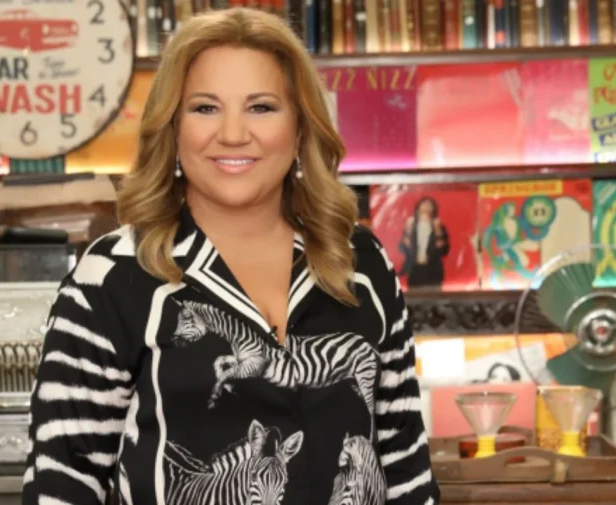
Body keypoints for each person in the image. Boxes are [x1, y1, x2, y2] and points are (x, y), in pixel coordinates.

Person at [22, 7, 439, 505]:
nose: (234, 134)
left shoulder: (361, 261)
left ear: (300, 127)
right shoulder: (112, 275)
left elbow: (406, 465)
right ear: (172, 127)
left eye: (261, 107)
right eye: (205, 108)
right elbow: (61, 483)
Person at [399, 197, 450, 289]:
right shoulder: (411, 226)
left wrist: (438, 231)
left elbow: (444, 251)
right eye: (424, 205)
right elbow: (402, 249)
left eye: (429, 205)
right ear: (418, 208)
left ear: (433, 210)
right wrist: (407, 231)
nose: (426, 207)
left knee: (434, 295)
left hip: (433, 270)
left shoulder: (438, 226)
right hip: (414, 270)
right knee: (414, 295)